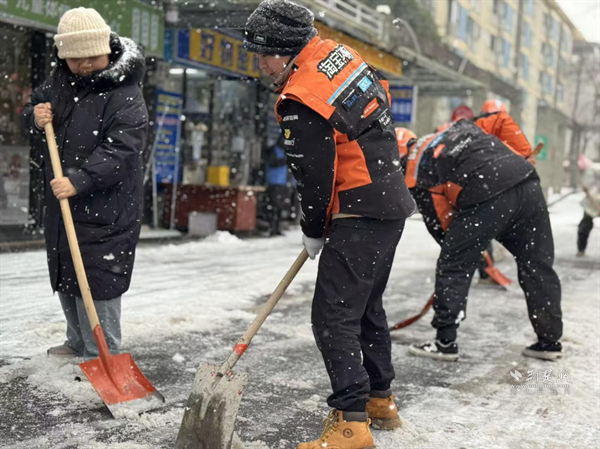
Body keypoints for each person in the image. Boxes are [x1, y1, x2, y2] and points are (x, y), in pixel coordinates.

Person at [244, 1, 416, 447]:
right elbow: (380, 105)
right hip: (389, 201)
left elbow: (314, 177)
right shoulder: (340, 57)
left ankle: (350, 424)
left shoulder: (300, 98)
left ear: (286, 50)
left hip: (359, 211)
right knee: (366, 308)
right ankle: (380, 400)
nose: (260, 64)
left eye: (264, 54)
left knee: (332, 316)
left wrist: (313, 226)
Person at [22, 7, 148, 359]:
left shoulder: (125, 91)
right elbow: (33, 109)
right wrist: (35, 118)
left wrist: (80, 180)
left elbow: (123, 148)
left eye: (92, 56)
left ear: (106, 49)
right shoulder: (57, 83)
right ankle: (77, 341)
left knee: (99, 279)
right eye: (76, 58)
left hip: (108, 207)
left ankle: (102, 355)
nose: (85, 64)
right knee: (67, 272)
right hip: (65, 202)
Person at [398, 116, 562, 362]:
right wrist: (524, 154)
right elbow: (500, 120)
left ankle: (445, 342)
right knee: (536, 263)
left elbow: (444, 228)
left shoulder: (418, 173)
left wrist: (465, 249)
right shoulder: (455, 128)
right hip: (526, 179)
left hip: (486, 189)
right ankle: (549, 341)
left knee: (453, 264)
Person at [265, 134, 290, 236]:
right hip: (274, 182)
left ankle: (277, 228)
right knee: (274, 207)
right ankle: (272, 228)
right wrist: (286, 160)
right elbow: (273, 162)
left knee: (280, 207)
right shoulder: (273, 150)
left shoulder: (283, 151)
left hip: (281, 182)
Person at [576, 154, 600, 256]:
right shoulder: (588, 171)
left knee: (584, 226)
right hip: (591, 203)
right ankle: (581, 249)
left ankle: (581, 249)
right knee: (584, 226)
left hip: (594, 200)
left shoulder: (592, 170)